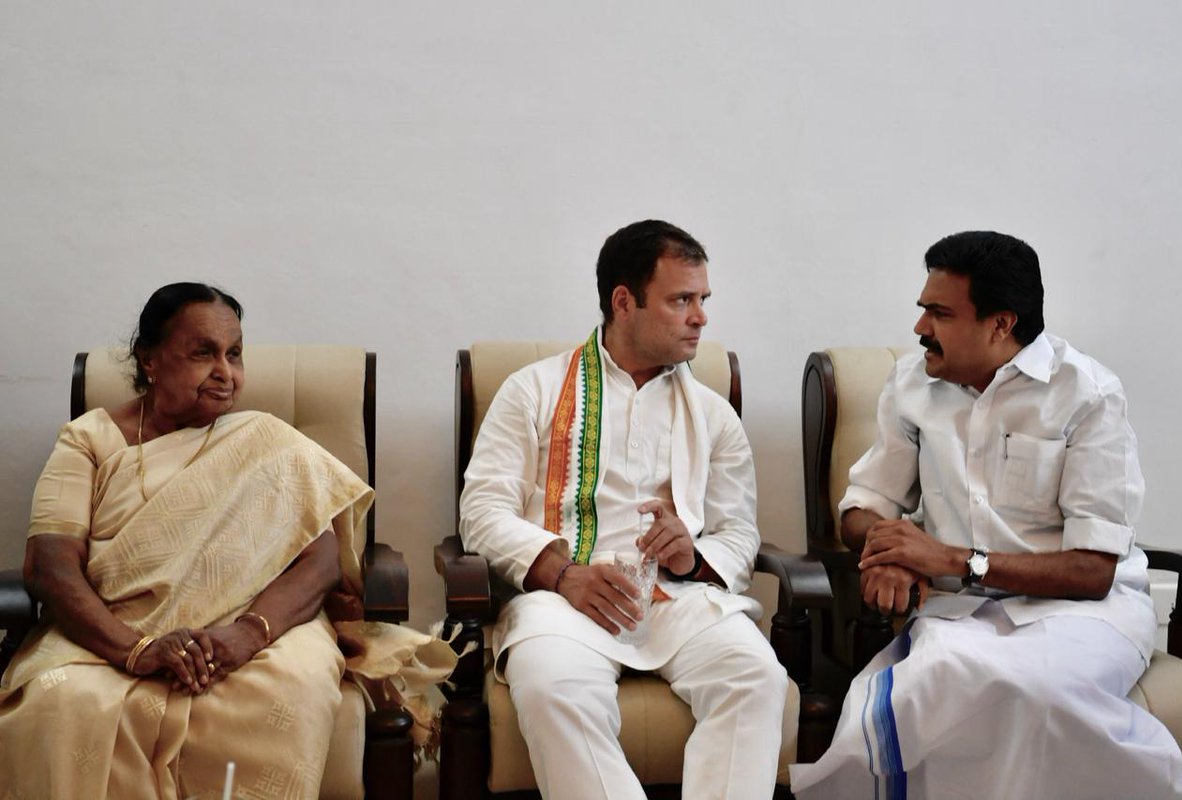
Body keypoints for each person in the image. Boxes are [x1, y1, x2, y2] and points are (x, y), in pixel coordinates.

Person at [0, 283, 455, 800]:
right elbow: (50, 564)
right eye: (203, 353)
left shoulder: (267, 440)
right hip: (112, 624)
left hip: (261, 623)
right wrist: (137, 650)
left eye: (234, 353)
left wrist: (249, 633)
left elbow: (322, 562)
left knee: (290, 688)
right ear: (149, 359)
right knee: (64, 702)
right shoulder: (89, 440)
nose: (225, 372)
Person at [790, 231, 1182, 799]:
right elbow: (862, 506)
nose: (919, 328)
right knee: (923, 690)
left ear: (1000, 324)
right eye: (922, 308)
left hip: (1085, 615)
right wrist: (890, 549)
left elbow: (1092, 571)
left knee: (1032, 690)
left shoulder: (1087, 394)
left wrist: (946, 558)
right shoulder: (912, 383)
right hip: (963, 611)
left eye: (939, 312)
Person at [459, 220, 788, 799]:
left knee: (757, 676)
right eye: (681, 299)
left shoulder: (714, 416)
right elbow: (482, 510)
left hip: (679, 600)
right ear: (624, 301)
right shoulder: (531, 390)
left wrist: (692, 557)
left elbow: (737, 531)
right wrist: (563, 574)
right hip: (565, 599)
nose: (700, 316)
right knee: (551, 685)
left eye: (703, 299)